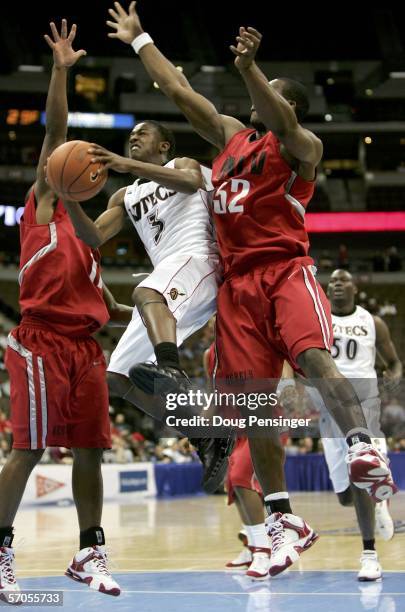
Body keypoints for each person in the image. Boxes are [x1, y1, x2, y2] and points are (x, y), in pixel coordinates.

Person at [106, 2, 397, 576]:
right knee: (255, 408)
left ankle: (362, 444)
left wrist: (248, 69)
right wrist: (141, 41)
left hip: (285, 270)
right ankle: (282, 517)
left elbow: (282, 121)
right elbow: (178, 92)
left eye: (270, 95)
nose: (253, 104)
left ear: (287, 106)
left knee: (314, 357)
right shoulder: (233, 138)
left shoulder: (302, 148)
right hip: (237, 286)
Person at [0, 20, 132, 598]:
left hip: (85, 348)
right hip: (39, 339)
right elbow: (56, 135)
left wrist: (153, 315)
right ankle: (0, 552)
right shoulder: (46, 202)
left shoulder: (89, 236)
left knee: (89, 452)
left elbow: (108, 302)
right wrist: (60, 71)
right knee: (27, 449)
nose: (89, 169)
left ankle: (90, 552)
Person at [60, 112, 231, 493]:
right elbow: (93, 237)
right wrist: (70, 199)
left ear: (164, 145)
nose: (134, 138)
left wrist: (123, 163)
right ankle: (205, 433)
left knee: (145, 292)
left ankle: (170, 369)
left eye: (143, 134)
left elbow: (190, 183)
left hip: (200, 261)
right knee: (116, 378)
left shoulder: (183, 164)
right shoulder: (126, 194)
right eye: (132, 136)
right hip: (171, 279)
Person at [306, 269, 401, 581]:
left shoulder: (373, 323)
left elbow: (394, 361)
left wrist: (393, 377)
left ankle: (369, 555)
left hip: (364, 411)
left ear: (354, 287)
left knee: (360, 476)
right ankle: (377, 502)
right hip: (329, 413)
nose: (336, 285)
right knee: (346, 496)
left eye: (343, 280)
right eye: (331, 281)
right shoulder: (317, 320)